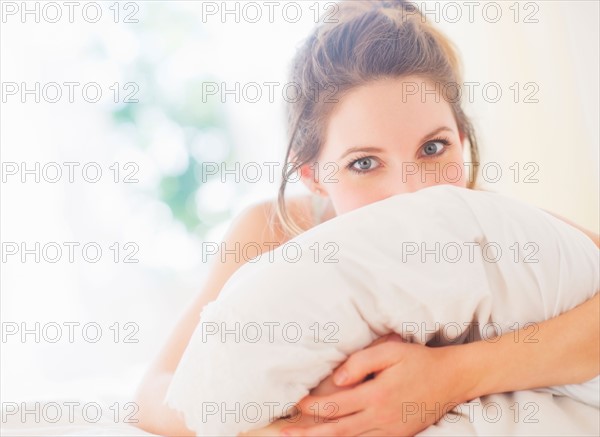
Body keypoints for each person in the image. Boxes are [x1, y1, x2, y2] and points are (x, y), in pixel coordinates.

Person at [134, 1, 600, 436]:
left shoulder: (486, 224)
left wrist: (449, 377)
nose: (411, 191)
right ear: (312, 175)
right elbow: (155, 393)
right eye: (364, 163)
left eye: (433, 148)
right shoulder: (270, 230)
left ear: (461, 138)